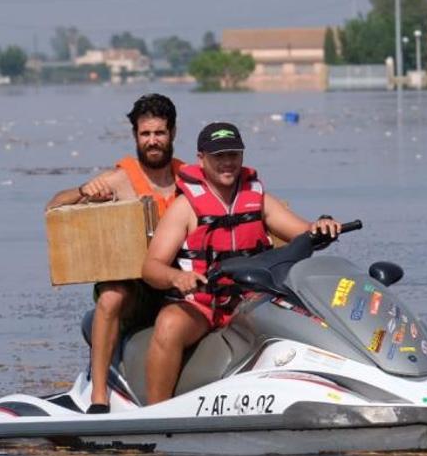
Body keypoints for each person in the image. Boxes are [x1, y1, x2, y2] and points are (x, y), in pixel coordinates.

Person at [141, 122, 341, 404]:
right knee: (169, 324)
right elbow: (151, 267)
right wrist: (177, 278)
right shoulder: (185, 207)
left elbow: (305, 233)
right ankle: (156, 411)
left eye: (233, 154)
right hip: (203, 305)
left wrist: (322, 226)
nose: (227, 162)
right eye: (218, 156)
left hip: (253, 301)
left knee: (310, 318)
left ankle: (324, 392)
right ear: (201, 159)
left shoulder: (258, 199)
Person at [45, 93, 185, 414]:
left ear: (173, 133)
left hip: (178, 279)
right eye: (145, 134)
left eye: (160, 133)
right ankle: (99, 396)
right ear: (135, 136)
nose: (152, 141)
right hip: (136, 287)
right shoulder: (119, 180)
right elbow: (53, 206)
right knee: (110, 297)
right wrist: (84, 192)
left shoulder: (190, 179)